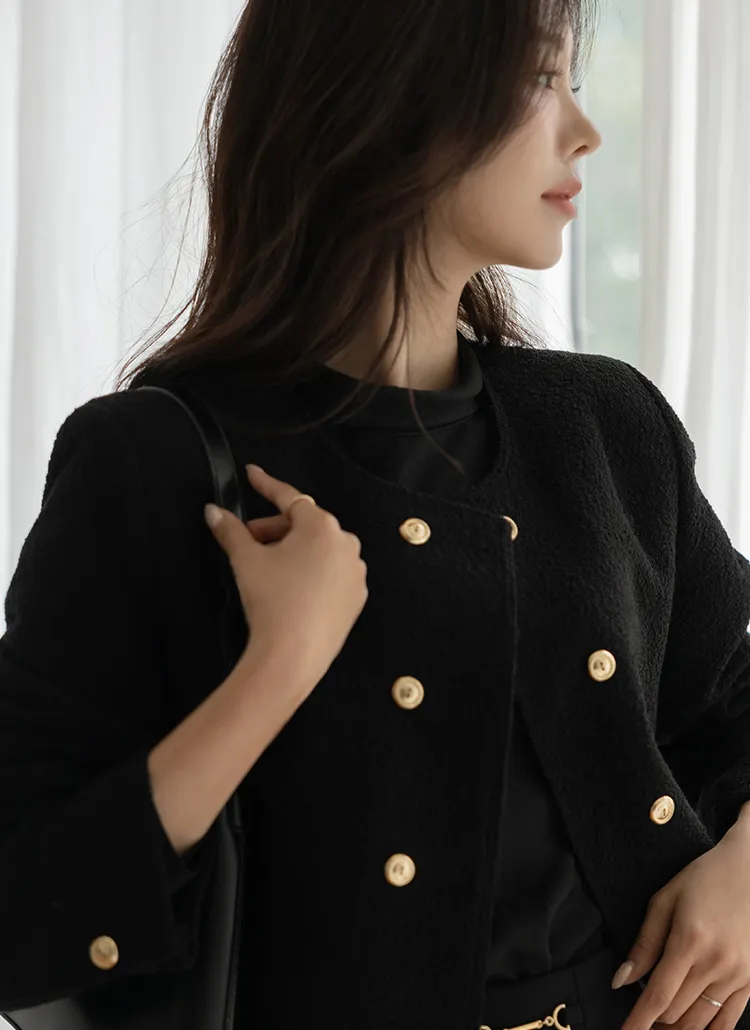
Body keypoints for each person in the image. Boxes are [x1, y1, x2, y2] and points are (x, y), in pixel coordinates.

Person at [2, 1, 750, 1028]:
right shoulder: (152, 465)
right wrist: (276, 668)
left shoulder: (605, 426)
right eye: (541, 79)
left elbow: (731, 694)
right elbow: (24, 909)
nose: (584, 131)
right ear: (393, 99)